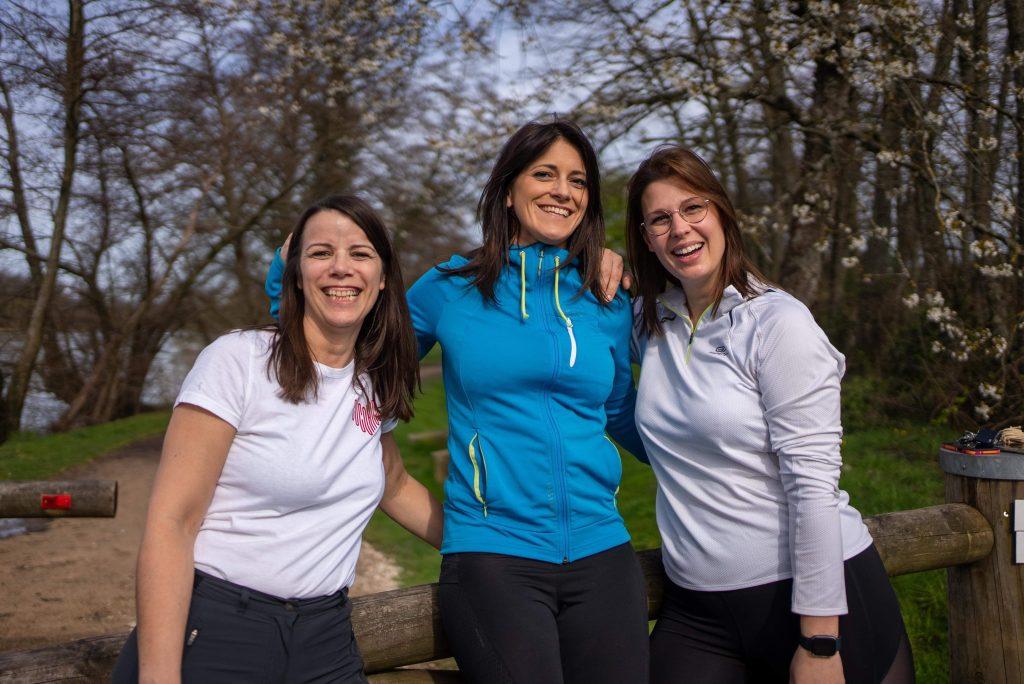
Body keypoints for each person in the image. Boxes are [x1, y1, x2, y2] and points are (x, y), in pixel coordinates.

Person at [265, 118, 649, 683]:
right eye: (544, 174)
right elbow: (349, 346)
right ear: (509, 190)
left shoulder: (606, 295)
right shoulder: (451, 287)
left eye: (578, 180)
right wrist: (289, 268)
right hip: (494, 557)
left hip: (604, 552)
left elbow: (621, 410)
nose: (562, 191)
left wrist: (707, 469)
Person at [114, 195, 443, 684]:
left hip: (326, 636)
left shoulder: (371, 382)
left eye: (359, 253)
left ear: (382, 277)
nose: (340, 268)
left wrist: (485, 545)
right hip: (220, 626)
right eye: (319, 253)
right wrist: (159, 676)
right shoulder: (238, 360)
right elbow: (172, 524)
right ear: (295, 274)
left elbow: (392, 483)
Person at [625, 145, 914, 684]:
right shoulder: (649, 321)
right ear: (645, 238)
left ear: (722, 214)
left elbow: (812, 483)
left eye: (694, 209)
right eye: (660, 219)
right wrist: (601, 258)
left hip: (806, 600)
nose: (680, 229)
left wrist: (820, 641)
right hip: (696, 607)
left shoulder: (777, 322)